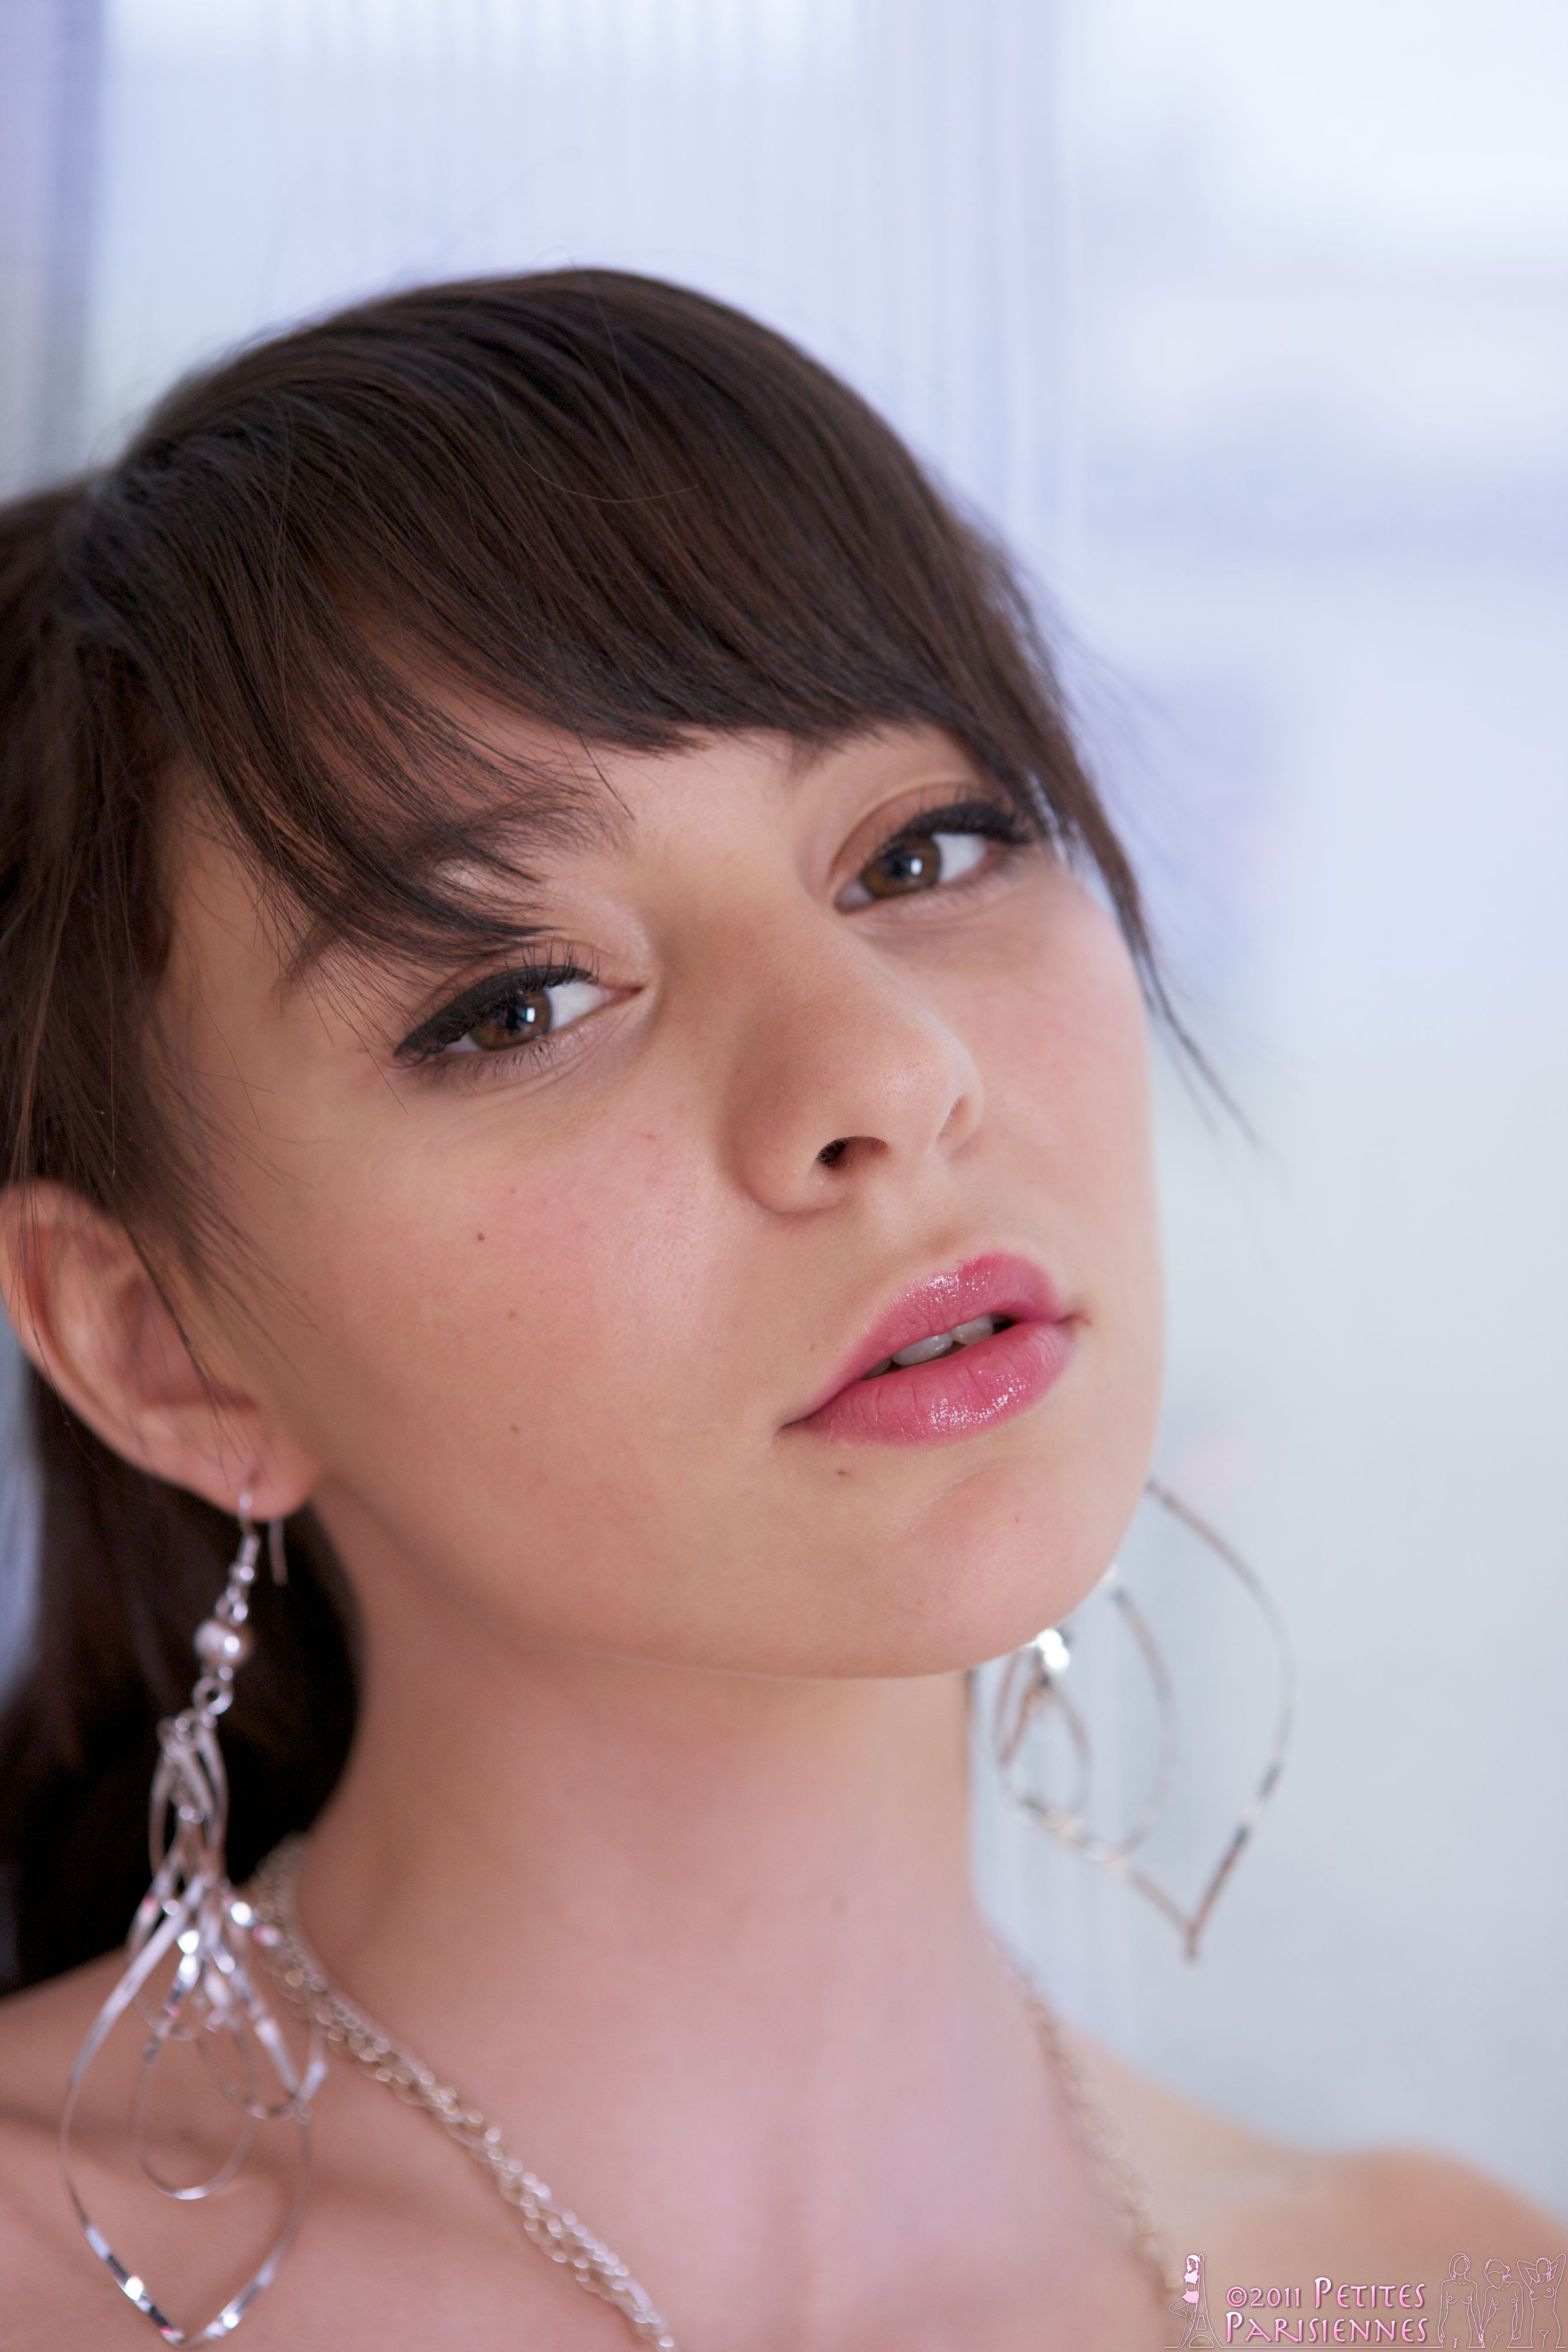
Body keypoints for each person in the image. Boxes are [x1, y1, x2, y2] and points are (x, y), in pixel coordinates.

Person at [0, 270, 1554, 2350]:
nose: (888, 1069)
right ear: (157, 1344)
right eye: (521, 1002)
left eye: (923, 850)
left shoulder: (1439, 2299)